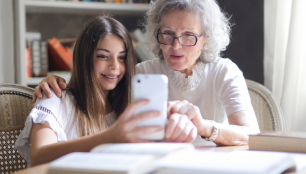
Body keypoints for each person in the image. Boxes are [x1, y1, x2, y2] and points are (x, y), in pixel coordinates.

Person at [33, 0, 260, 146]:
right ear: (155, 34)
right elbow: (97, 86)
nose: (176, 45)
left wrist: (203, 126)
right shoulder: (140, 74)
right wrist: (53, 81)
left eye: (188, 36)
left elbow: (252, 135)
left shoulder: (224, 71)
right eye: (167, 34)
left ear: (206, 39)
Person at [15, 16, 197, 167]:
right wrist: (110, 137)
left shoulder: (128, 107)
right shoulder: (55, 99)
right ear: (84, 57)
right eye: (103, 56)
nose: (115, 67)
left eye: (122, 58)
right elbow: (39, 157)